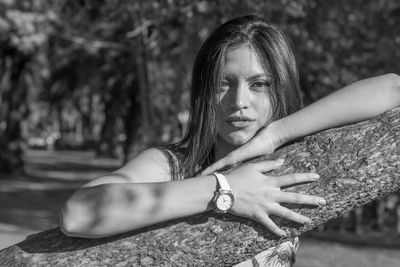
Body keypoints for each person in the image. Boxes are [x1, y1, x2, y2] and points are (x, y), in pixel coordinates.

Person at [60, 15, 400, 265]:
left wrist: (276, 134)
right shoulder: (174, 164)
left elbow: (392, 89)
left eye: (259, 84)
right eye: (225, 83)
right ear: (204, 91)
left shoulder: (291, 160)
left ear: (280, 88)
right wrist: (225, 189)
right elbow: (78, 213)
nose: (238, 101)